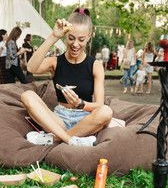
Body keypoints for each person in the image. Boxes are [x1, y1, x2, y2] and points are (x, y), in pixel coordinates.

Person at [21, 8, 112, 147]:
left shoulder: (96, 65)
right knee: (27, 95)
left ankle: (53, 139)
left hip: (84, 120)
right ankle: (72, 140)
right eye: (71, 38)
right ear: (65, 35)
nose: (75, 44)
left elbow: (99, 105)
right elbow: (31, 68)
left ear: (88, 37)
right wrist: (53, 36)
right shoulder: (55, 62)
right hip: (58, 120)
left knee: (106, 111)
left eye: (81, 39)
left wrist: (80, 104)